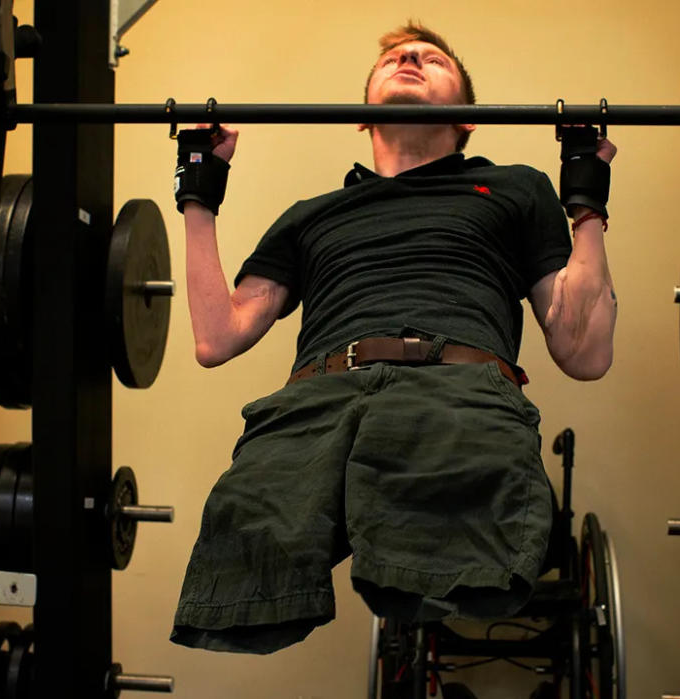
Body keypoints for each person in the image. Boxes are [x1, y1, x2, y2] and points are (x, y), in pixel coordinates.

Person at [169, 21, 618, 654]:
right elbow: (218, 336)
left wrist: (586, 196)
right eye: (394, 59)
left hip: (455, 390)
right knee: (240, 570)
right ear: (360, 116)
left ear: (467, 118)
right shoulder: (312, 214)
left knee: (454, 565)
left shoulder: (514, 188)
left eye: (430, 59)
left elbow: (584, 351)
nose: (408, 58)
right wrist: (199, 189)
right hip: (315, 401)